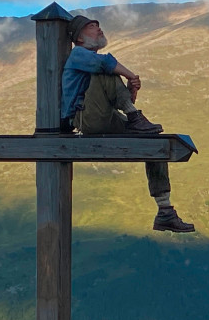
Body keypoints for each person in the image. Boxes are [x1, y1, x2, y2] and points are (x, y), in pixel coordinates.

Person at [61, 15, 194, 232]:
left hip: (103, 116)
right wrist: (132, 77)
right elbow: (106, 64)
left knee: (153, 141)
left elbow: (113, 94)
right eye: (93, 27)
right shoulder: (78, 55)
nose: (99, 30)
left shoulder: (88, 58)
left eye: (98, 25)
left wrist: (130, 91)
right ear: (80, 38)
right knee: (105, 69)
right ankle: (134, 117)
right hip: (85, 119)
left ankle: (165, 211)